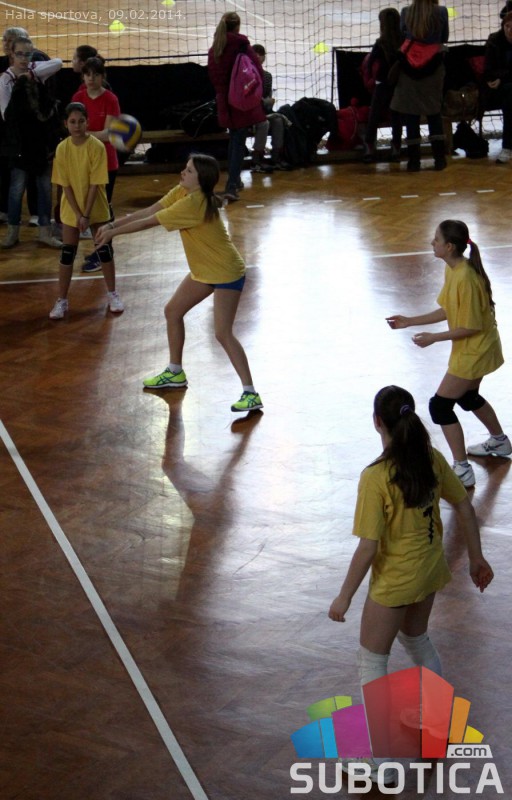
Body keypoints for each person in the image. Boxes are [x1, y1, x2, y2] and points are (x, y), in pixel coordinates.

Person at [328, 385, 494, 780]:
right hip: (429, 571)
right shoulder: (430, 458)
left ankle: (381, 763)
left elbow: (368, 547)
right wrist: (476, 557)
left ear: (377, 422)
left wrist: (344, 596)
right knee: (417, 640)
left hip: (394, 583)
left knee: (372, 660)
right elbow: (464, 504)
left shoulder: (376, 477)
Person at [94, 153, 262, 412]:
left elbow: (148, 223)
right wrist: (111, 225)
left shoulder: (193, 204)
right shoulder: (183, 192)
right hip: (204, 271)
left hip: (226, 272)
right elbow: (150, 210)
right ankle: (175, 372)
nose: (183, 172)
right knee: (173, 311)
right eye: (185, 168)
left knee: (223, 333)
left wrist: (112, 234)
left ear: (201, 179)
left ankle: (250, 393)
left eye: (189, 171)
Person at [386, 220, 510, 488]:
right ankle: (500, 442)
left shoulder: (465, 277)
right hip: (477, 348)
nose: (432, 243)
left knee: (440, 407)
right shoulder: (454, 269)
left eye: (436, 239)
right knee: (468, 396)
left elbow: (471, 326)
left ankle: (462, 469)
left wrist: (434, 338)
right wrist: (409, 321)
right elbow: (449, 310)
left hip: (476, 351)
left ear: (450, 246)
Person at [48, 102, 124, 319]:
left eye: (81, 121)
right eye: (72, 122)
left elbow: (95, 184)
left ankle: (112, 294)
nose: (77, 125)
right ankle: (62, 300)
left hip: (96, 207)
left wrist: (87, 214)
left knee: (104, 250)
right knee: (67, 254)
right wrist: (78, 214)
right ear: (66, 124)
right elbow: (65, 185)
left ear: (88, 122)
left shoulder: (97, 147)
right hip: (71, 209)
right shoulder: (62, 149)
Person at [0, 36, 62, 248]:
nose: (24, 59)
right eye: (20, 54)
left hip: (40, 143)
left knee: (44, 188)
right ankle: (12, 233)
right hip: (20, 144)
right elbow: (5, 115)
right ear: (11, 54)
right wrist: (21, 85)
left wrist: (33, 73)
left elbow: (58, 63)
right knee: (16, 190)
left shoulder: (35, 70)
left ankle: (45, 232)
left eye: (28, 54)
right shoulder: (5, 80)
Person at [207, 12, 266, 202]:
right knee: (239, 143)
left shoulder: (214, 49)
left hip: (224, 101)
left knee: (234, 139)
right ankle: (231, 186)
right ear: (237, 27)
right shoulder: (241, 45)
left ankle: (236, 180)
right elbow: (257, 70)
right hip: (240, 100)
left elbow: (213, 76)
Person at [72, 56, 120, 272]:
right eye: (87, 74)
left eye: (96, 74)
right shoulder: (78, 98)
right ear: (83, 76)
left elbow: (109, 134)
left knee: (104, 210)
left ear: (103, 76)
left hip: (106, 162)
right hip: (83, 161)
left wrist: (83, 133)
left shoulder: (110, 99)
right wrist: (91, 134)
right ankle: (101, 249)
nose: (91, 78)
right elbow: (73, 129)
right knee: (89, 209)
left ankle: (103, 253)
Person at [390, 0, 449, 171]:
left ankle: (413, 161)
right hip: (434, 67)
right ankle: (439, 159)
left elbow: (403, 38)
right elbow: (444, 38)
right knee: (434, 113)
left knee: (411, 115)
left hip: (408, 68)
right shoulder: (442, 11)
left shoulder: (405, 12)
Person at [362, 8, 403, 164]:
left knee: (374, 114)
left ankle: (369, 145)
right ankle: (396, 146)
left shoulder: (380, 44)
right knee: (396, 115)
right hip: (400, 86)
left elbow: (370, 63)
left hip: (383, 86)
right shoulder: (404, 41)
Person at [251, 44, 291, 171]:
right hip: (250, 113)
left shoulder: (267, 76)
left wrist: (268, 102)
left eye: (261, 54)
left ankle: (276, 157)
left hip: (263, 111)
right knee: (264, 123)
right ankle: (257, 160)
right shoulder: (247, 75)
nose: (258, 56)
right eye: (256, 54)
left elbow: (267, 97)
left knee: (278, 121)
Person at [483, 12, 512, 163]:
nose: (510, 30)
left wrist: (502, 77)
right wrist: (501, 78)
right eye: (507, 26)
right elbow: (488, 70)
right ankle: (507, 147)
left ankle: (508, 147)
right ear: (503, 26)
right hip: (496, 90)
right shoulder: (494, 40)